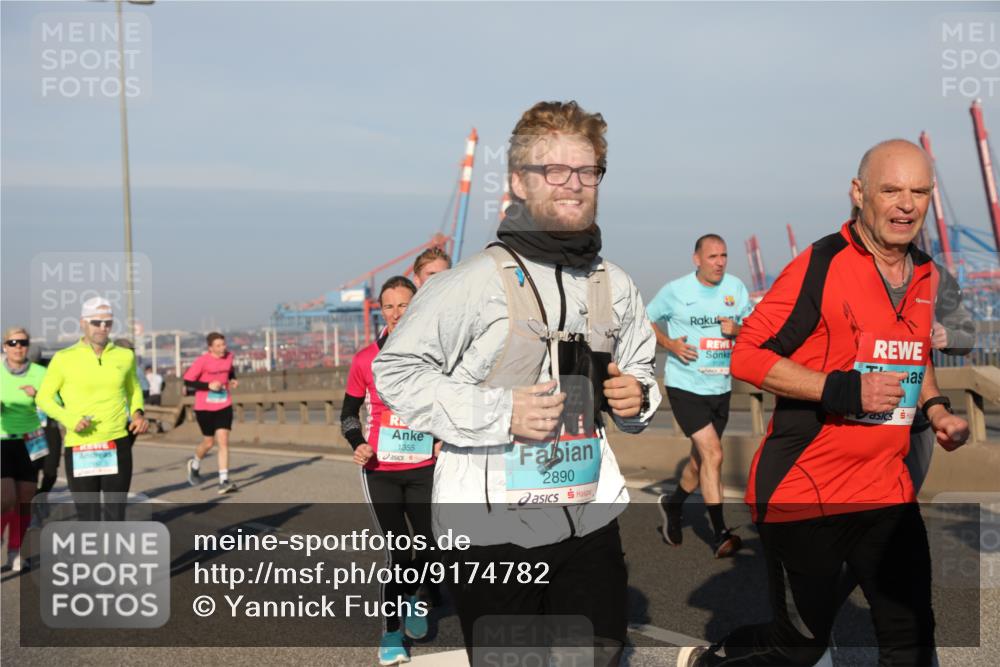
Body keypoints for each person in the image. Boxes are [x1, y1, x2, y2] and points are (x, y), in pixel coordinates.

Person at [373, 100, 660, 666]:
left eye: (587, 171)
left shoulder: (616, 283)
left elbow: (641, 373)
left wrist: (637, 399)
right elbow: (396, 373)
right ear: (519, 182)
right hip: (490, 532)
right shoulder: (471, 283)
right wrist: (500, 412)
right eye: (554, 171)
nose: (573, 185)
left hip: (588, 515)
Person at [678, 139, 971, 667]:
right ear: (859, 193)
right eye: (891, 190)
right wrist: (841, 388)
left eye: (920, 191)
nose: (907, 203)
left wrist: (935, 409)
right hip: (806, 490)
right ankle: (715, 659)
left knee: (912, 641)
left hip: (888, 491)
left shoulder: (926, 274)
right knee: (800, 647)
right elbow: (746, 355)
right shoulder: (820, 264)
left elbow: (912, 355)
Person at [341, 276, 438, 666]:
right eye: (389, 306)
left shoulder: (436, 354)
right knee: (399, 550)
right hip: (380, 468)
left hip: (425, 465)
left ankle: (414, 595)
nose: (397, 313)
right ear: (381, 311)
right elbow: (348, 415)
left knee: (433, 546)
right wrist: (357, 443)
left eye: (404, 305)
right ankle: (392, 632)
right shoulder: (365, 359)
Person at [647, 234, 752, 557]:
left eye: (724, 256)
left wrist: (738, 331)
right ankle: (719, 533)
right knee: (715, 454)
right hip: (685, 386)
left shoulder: (735, 288)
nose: (719, 262)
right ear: (697, 260)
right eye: (712, 257)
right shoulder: (675, 291)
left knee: (701, 460)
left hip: (720, 387)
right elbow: (645, 319)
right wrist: (671, 345)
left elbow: (753, 324)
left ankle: (673, 504)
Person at [36, 297, 148, 522]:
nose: (103, 327)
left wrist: (137, 413)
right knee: (89, 516)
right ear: (83, 323)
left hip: (116, 442)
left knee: (116, 515)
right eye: (96, 322)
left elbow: (133, 389)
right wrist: (69, 418)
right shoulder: (63, 359)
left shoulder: (125, 356)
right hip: (81, 446)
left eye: (108, 322)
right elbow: (44, 398)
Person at [1, 327, 46, 570]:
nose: (18, 346)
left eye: (23, 342)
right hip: (2, 439)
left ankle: (15, 549)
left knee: (25, 497)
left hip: (31, 440)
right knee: (6, 497)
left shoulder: (39, 373)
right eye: (13, 342)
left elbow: (56, 401)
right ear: (4, 346)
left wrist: (38, 395)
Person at [184, 332, 238, 494]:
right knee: (208, 443)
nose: (223, 348)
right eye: (218, 346)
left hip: (224, 404)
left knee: (223, 441)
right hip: (204, 407)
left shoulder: (229, 356)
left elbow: (229, 369)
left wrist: (233, 378)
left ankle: (224, 481)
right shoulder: (202, 361)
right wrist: (208, 386)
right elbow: (188, 381)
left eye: (223, 344)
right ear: (210, 348)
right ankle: (194, 463)